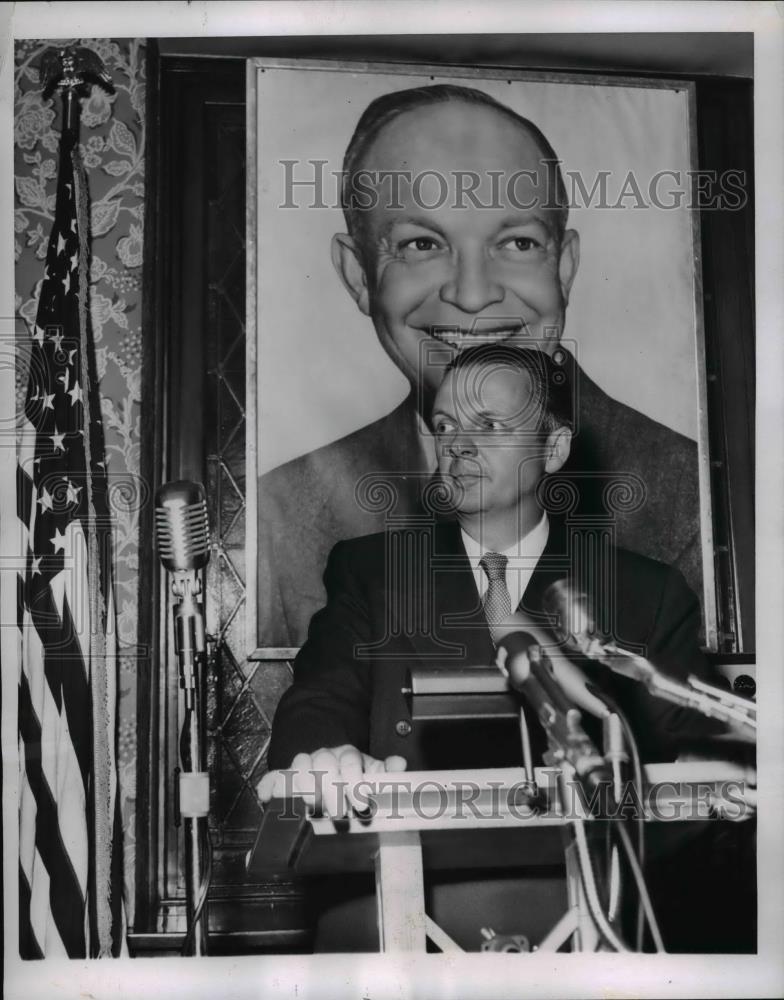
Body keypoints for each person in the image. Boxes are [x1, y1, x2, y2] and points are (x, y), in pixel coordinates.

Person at [259, 345, 727, 951]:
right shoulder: (371, 574)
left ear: (553, 450)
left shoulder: (644, 593)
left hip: (590, 927)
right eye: (447, 425)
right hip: (400, 927)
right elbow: (316, 706)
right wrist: (327, 761)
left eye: (490, 426)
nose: (457, 445)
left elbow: (699, 774)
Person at [258, 83, 702, 649]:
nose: (471, 297)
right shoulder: (284, 513)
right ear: (357, 272)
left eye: (516, 243)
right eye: (421, 244)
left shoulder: (687, 489)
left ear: (563, 267)